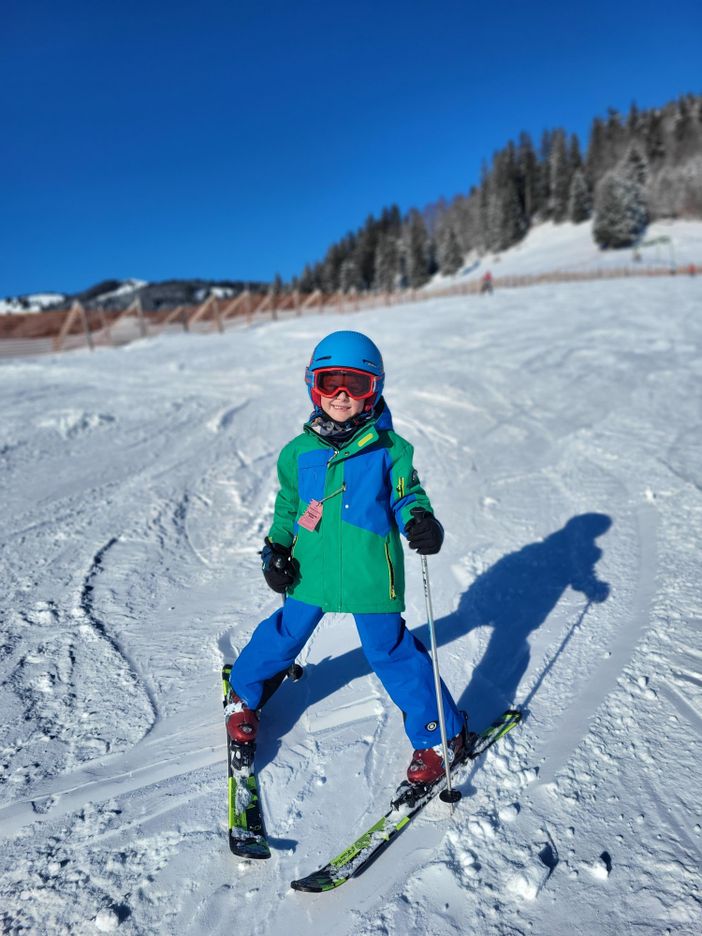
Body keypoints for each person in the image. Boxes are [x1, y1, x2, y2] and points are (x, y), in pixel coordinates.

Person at [225, 330, 466, 784]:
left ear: (373, 388)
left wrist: (421, 520)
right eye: (329, 381)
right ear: (312, 385)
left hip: (370, 571)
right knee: (285, 632)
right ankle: (243, 692)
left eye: (354, 385)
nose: (341, 395)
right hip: (310, 566)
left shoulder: (390, 450)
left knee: (390, 650)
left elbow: (407, 495)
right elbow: (289, 508)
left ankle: (440, 735)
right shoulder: (298, 453)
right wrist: (275, 549)